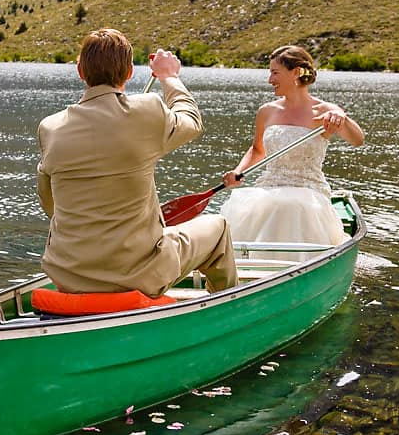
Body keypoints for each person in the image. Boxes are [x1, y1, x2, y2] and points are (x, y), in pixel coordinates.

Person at [37, 29, 237, 297]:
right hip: (137, 273)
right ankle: (225, 310)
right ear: (129, 72)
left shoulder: (50, 127)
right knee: (219, 228)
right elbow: (191, 121)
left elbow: (49, 202)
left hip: (68, 273)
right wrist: (169, 77)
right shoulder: (147, 110)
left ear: (80, 71)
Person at [221, 44, 364, 245]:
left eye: (275, 73)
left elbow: (358, 140)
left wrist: (343, 118)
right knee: (258, 205)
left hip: (308, 189)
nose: (270, 80)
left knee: (290, 205)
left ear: (295, 73)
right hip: (270, 187)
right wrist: (238, 171)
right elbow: (258, 149)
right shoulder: (267, 111)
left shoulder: (324, 111)